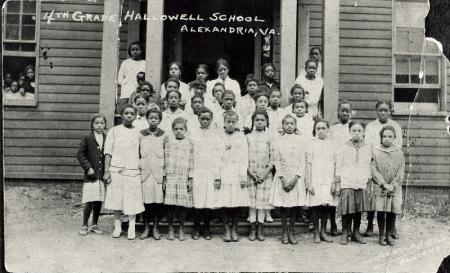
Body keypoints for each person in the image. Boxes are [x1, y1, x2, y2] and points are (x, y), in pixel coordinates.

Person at [103, 104, 144, 240]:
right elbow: (108, 152)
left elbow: (141, 153)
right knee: (117, 199)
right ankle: (118, 225)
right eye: (126, 113)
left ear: (135, 116)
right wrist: (106, 171)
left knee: (132, 199)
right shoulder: (114, 131)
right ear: (121, 115)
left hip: (133, 170)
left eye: (132, 114)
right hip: (117, 170)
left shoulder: (139, 132)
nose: (129, 116)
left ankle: (131, 226)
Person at [364, 100, 402, 238]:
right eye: (381, 110)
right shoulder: (370, 127)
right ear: (377, 111)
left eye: (386, 110)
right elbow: (368, 145)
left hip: (390, 165)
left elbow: (398, 146)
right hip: (375, 162)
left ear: (390, 111)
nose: (383, 112)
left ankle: (392, 228)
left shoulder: (395, 126)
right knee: (373, 196)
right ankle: (369, 225)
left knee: (393, 197)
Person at [270, 114, 307, 245]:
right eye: (287, 123)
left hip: (295, 178)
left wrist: (296, 178)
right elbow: (276, 161)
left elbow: (303, 160)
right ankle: (284, 232)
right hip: (283, 177)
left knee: (293, 207)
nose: (289, 126)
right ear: (283, 125)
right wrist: (282, 179)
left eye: (292, 123)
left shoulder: (301, 141)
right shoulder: (278, 140)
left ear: (296, 126)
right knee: (284, 208)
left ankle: (292, 232)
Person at [335, 121, 373, 245]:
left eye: (359, 131)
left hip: (361, 181)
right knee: (347, 208)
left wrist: (368, 182)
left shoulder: (367, 147)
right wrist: (338, 181)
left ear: (363, 132)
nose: (356, 133)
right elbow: (339, 165)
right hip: (347, 181)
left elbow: (368, 165)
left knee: (358, 208)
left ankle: (356, 232)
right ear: (350, 132)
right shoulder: (343, 147)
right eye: (354, 131)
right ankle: (346, 231)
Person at [215, 110, 250, 242]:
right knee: (223, 202)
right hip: (223, 172)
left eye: (233, 122)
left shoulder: (241, 137)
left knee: (237, 202)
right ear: (224, 123)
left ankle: (234, 229)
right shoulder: (219, 137)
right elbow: (216, 157)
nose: (230, 124)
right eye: (228, 122)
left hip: (236, 173)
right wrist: (217, 176)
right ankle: (226, 229)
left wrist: (242, 175)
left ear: (237, 123)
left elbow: (244, 157)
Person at [190, 107, 221, 240]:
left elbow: (218, 156)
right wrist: (190, 176)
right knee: (198, 201)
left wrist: (217, 175)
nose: (205, 121)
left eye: (208, 119)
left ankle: (207, 228)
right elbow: (190, 155)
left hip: (210, 171)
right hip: (197, 171)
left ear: (212, 119)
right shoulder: (193, 133)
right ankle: (197, 228)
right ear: (198, 119)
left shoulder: (216, 134)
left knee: (209, 202)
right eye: (202, 119)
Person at [371, 125, 405, 246]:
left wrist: (393, 184)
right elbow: (373, 169)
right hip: (381, 186)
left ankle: (389, 234)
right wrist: (384, 184)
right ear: (381, 137)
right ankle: (381, 234)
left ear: (394, 138)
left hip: (394, 187)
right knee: (381, 210)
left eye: (390, 136)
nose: (387, 139)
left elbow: (401, 170)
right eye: (384, 136)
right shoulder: (376, 151)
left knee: (392, 210)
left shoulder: (399, 153)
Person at [163, 117, 194, 241]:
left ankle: (181, 229)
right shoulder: (169, 144)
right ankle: (170, 228)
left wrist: (190, 179)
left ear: (186, 130)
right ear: (172, 130)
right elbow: (165, 162)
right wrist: (165, 178)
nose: (179, 131)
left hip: (183, 177)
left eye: (181, 129)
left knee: (182, 206)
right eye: (176, 129)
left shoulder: (190, 144)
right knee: (171, 206)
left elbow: (192, 162)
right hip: (171, 177)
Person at [138, 108, 167, 240]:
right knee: (145, 201)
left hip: (158, 173)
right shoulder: (141, 134)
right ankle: (146, 227)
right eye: (151, 117)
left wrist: (165, 173)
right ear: (147, 119)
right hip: (145, 172)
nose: (153, 120)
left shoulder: (164, 135)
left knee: (156, 202)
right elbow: (137, 153)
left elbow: (167, 155)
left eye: (156, 118)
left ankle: (155, 227)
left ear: (160, 120)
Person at [305, 119, 335, 243]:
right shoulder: (311, 144)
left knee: (326, 206)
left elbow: (335, 163)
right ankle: (316, 231)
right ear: (315, 130)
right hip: (315, 178)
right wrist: (308, 182)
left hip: (328, 179)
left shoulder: (332, 144)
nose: (321, 131)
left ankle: (323, 230)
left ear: (328, 129)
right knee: (315, 206)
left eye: (323, 128)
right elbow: (308, 164)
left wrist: (334, 181)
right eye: (318, 128)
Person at [76, 114, 107, 236]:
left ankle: (94, 224)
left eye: (102, 123)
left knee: (98, 201)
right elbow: (80, 154)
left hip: (101, 175)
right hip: (91, 176)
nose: (99, 125)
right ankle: (84, 225)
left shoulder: (106, 137)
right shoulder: (87, 137)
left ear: (105, 125)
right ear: (92, 125)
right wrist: (88, 167)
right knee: (89, 200)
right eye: (97, 123)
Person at [246, 109, 274, 241]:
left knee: (262, 202)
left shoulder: (270, 137)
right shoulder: (248, 137)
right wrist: (251, 174)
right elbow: (243, 157)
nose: (259, 122)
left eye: (262, 120)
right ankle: (252, 228)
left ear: (266, 121)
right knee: (252, 202)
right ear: (253, 121)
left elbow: (273, 157)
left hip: (265, 174)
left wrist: (265, 174)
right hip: (251, 173)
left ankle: (260, 228)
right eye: (257, 120)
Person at [328, 100, 353, 236]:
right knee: (334, 195)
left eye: (347, 111)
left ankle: (346, 226)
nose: (344, 113)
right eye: (342, 110)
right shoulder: (333, 129)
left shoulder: (353, 127)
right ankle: (332, 223)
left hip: (349, 166)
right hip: (335, 164)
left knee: (347, 196)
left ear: (351, 113)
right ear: (337, 112)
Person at [117, 41, 145, 113]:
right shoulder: (126, 63)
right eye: (133, 50)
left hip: (139, 90)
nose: (135, 52)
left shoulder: (144, 63)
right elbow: (120, 79)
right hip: (127, 90)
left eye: (137, 49)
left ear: (141, 51)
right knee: (125, 109)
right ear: (130, 51)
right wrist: (126, 83)